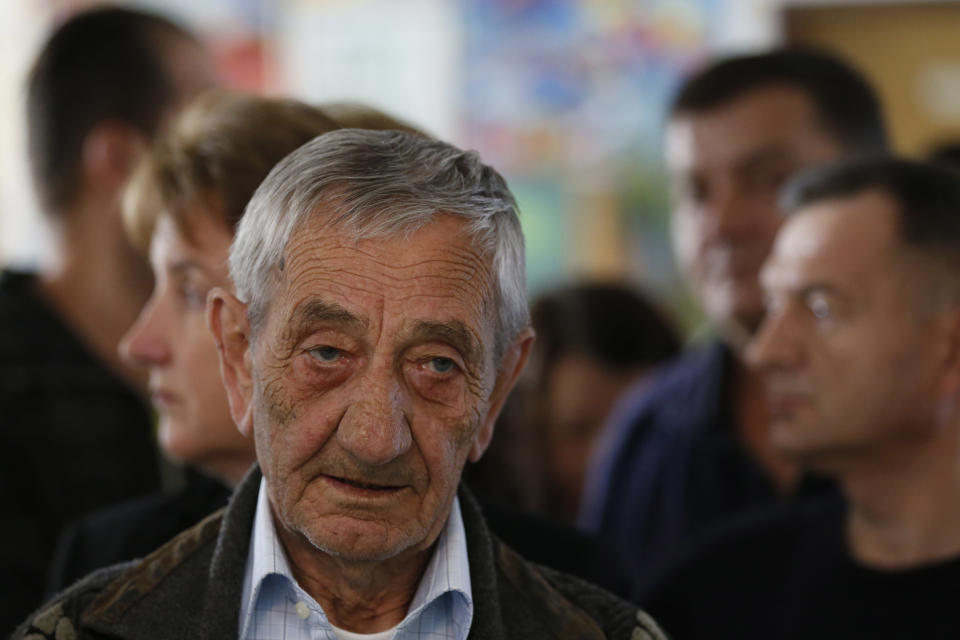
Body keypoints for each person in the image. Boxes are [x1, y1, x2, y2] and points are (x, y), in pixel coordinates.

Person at [17, 130, 666, 639]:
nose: (374, 438)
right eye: (327, 353)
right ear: (240, 356)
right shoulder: (82, 629)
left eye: (437, 365)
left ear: (497, 390)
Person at [578, 47, 889, 595]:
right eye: (696, 192)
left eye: (769, 180)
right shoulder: (648, 429)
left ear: (873, 189)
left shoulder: (930, 410)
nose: (721, 223)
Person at [642, 157, 960, 639]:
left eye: (821, 307)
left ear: (949, 352)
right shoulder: (712, 594)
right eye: (773, 304)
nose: (767, 351)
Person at [45, 91, 341, 593]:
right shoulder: (109, 565)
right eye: (153, 284)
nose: (138, 345)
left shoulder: (512, 573)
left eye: (188, 291)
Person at [0, 7, 216, 634]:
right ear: (120, 160)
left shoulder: (221, 373)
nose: (232, 168)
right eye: (205, 123)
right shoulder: (14, 388)